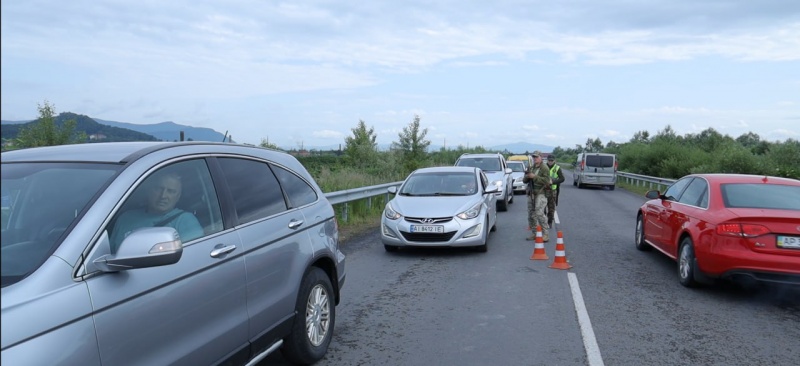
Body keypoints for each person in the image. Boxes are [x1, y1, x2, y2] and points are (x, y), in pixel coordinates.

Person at [110, 171, 203, 252]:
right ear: (149, 190)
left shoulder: (185, 220)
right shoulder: (126, 218)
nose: (163, 196)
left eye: (170, 191)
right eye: (158, 189)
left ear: (178, 197)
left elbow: (193, 256)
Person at [522, 151, 552, 242]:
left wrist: (534, 177)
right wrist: (528, 176)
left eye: (536, 157)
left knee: (539, 213)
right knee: (531, 214)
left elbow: (547, 181)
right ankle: (534, 233)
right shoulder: (532, 167)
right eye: (534, 157)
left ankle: (545, 234)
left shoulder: (544, 168)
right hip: (532, 193)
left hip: (541, 193)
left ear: (541, 157)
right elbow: (524, 181)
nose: (535, 159)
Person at [546, 155, 565, 227]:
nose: (550, 162)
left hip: (553, 190)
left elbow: (562, 179)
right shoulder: (544, 167)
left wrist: (554, 181)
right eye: (549, 160)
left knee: (551, 207)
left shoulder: (557, 168)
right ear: (547, 160)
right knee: (542, 206)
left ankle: (550, 221)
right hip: (543, 189)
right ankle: (543, 221)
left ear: (554, 160)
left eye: (552, 160)